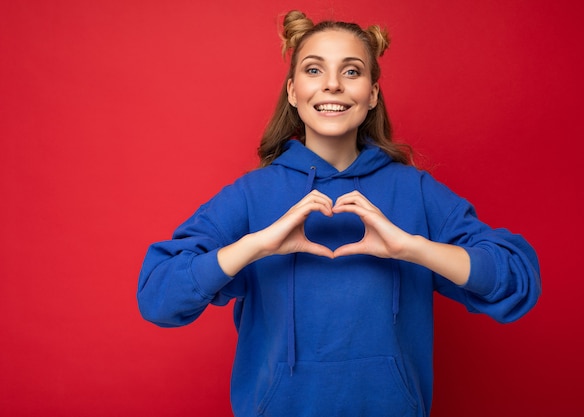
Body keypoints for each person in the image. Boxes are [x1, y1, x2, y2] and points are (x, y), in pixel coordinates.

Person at [137, 10, 541, 417]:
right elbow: (158, 297)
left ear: (373, 93)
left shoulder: (415, 192)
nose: (332, 84)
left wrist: (413, 248)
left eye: (351, 72)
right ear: (293, 91)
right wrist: (256, 246)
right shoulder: (250, 195)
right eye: (315, 70)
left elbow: (516, 281)